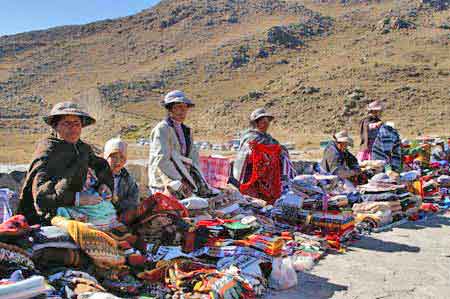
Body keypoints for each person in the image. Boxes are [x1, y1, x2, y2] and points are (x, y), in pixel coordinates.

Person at [18, 102, 113, 225]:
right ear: (55, 126)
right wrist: (77, 199)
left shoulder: (82, 149)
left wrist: (104, 184)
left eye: (76, 124)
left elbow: (101, 165)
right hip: (49, 215)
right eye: (66, 123)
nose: (73, 128)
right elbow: (42, 196)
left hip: (80, 209)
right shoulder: (47, 152)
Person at [148, 90, 215, 199]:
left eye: (185, 108)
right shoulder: (162, 129)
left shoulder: (187, 131)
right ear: (170, 109)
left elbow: (193, 158)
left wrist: (195, 178)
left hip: (185, 181)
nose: (182, 111)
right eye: (178, 107)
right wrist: (180, 179)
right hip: (164, 182)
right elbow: (161, 160)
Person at [232, 108, 294, 202]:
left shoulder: (267, 137)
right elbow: (254, 150)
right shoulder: (250, 136)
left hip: (264, 174)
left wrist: (279, 149)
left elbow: (277, 147)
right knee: (253, 201)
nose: (267, 123)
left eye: (267, 121)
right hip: (250, 172)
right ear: (256, 123)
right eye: (263, 121)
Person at [103, 137, 140, 216]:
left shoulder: (127, 178)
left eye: (122, 157)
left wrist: (117, 205)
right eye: (114, 157)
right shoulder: (97, 176)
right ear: (105, 157)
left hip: (121, 215)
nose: (118, 161)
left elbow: (134, 199)